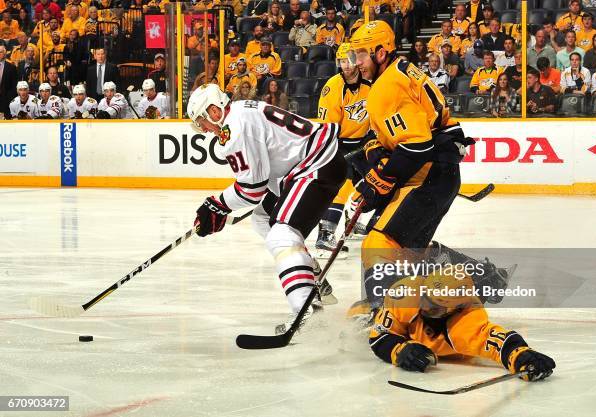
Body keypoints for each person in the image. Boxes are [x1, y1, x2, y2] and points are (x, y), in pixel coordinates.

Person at [348, 21, 508, 321]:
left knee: (379, 242)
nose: (356, 62)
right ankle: (485, 277)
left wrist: (380, 181)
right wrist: (376, 153)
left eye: (361, 54)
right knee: (409, 250)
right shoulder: (402, 69)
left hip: (429, 174)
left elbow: (416, 146)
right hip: (440, 173)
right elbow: (393, 135)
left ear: (381, 53)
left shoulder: (387, 86)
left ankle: (384, 316)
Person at [186, 84, 346, 333]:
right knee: (261, 219)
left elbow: (252, 190)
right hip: (308, 163)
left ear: (214, 111)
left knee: (282, 235)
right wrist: (220, 207)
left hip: (316, 165)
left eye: (202, 121)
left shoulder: (235, 128)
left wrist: (217, 205)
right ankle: (311, 274)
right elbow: (258, 185)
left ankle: (308, 313)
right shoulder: (239, 110)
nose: (203, 129)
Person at [368, 271, 555, 383]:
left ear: (455, 309)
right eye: (425, 298)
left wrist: (521, 356)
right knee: (360, 313)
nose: (423, 308)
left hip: (445, 349)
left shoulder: (465, 322)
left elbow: (499, 341)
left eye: (433, 308)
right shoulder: (408, 293)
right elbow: (379, 335)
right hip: (393, 324)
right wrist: (400, 350)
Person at [315, 42, 372, 257]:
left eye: (348, 60)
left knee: (373, 180)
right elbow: (326, 126)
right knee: (342, 187)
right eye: (341, 61)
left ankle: (354, 216)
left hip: (364, 142)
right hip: (339, 143)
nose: (345, 65)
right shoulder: (333, 87)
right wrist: (328, 151)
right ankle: (325, 237)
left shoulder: (369, 83)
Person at [0, 44, 18, 118]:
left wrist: (9, 99)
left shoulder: (11, 67)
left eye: (0, 52)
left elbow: (14, 86)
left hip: (7, 100)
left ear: (5, 53)